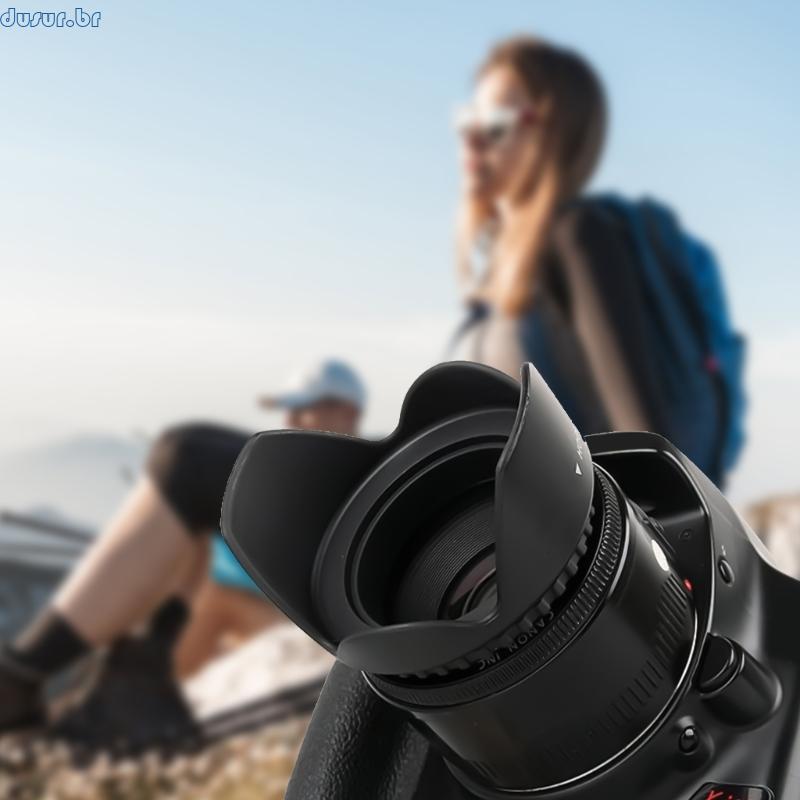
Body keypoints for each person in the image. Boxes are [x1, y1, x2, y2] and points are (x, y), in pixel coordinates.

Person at [0, 358, 366, 746]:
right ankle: (126, 682)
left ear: (345, 413)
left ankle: (25, 675)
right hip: (286, 598)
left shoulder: (346, 490)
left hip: (327, 602)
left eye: (303, 406)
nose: (289, 416)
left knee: (189, 455)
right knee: (194, 500)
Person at [449, 35, 745, 484]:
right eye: (469, 119)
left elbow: (646, 448)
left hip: (571, 547)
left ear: (552, 132)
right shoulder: (499, 271)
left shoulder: (580, 240)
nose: (472, 141)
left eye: (495, 125)